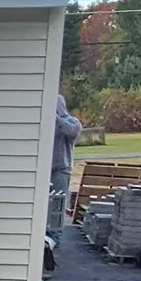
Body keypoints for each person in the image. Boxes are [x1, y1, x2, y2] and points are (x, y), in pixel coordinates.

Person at [46, 93, 82, 268]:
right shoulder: (47, 123)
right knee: (46, 204)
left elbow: (71, 132)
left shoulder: (72, 122)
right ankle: (46, 235)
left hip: (62, 168)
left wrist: (57, 119)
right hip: (46, 169)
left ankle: (56, 236)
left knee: (58, 204)